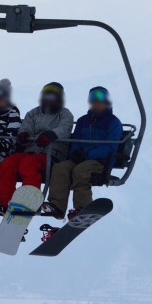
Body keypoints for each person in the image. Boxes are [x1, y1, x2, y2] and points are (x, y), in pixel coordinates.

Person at [43, 86, 123, 221]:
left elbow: (110, 147)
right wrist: (75, 152)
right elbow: (75, 140)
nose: (96, 104)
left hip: (100, 161)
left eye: (100, 100)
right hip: (81, 158)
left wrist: (87, 153)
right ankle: (57, 205)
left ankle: (82, 207)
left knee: (80, 171)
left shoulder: (113, 123)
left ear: (106, 102)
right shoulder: (83, 121)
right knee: (60, 168)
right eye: (93, 100)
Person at [0, 82, 74, 214]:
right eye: (46, 97)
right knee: (7, 163)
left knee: (29, 165)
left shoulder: (64, 114)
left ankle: (28, 201)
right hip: (31, 151)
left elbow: (65, 128)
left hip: (51, 154)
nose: (49, 101)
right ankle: (4, 203)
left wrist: (51, 135)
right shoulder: (33, 113)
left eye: (52, 98)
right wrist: (24, 135)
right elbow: (26, 127)